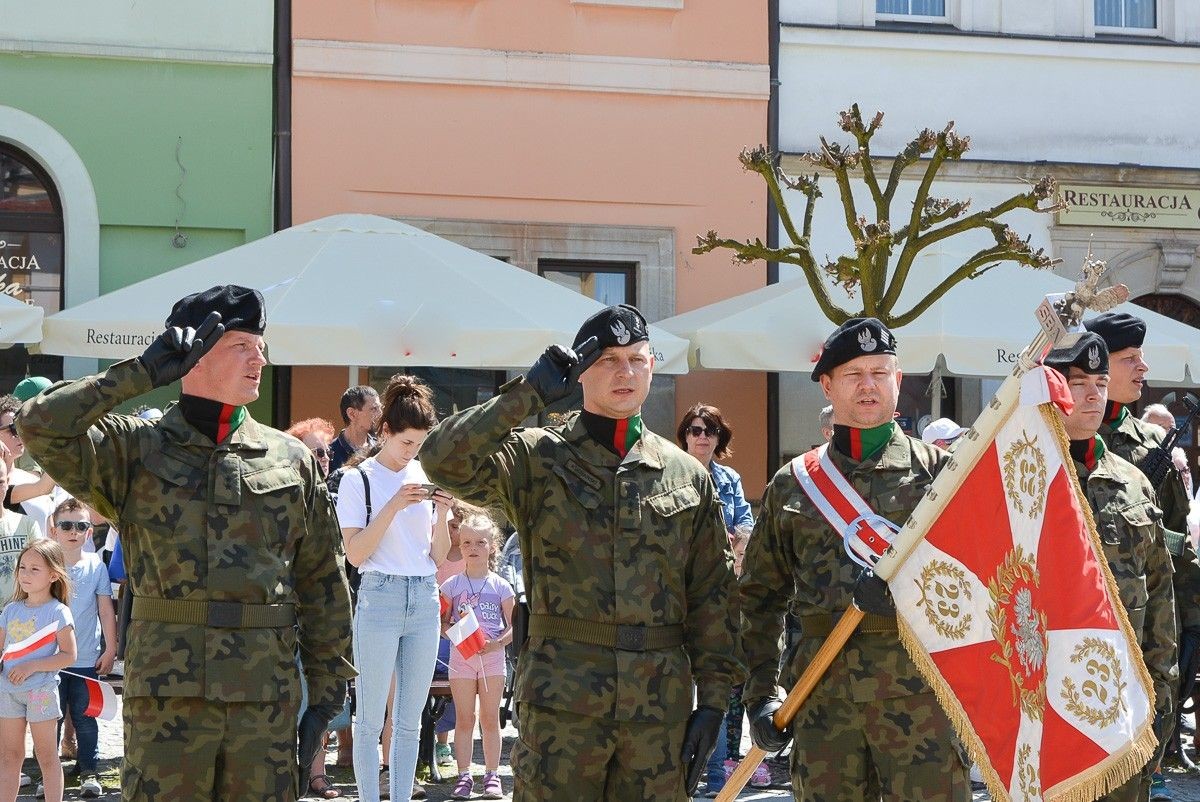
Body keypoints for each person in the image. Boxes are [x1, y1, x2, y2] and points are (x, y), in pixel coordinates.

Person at [17, 284, 355, 801]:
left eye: (260, 345)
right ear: (193, 353)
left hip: (263, 696)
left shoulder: (290, 459)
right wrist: (144, 372)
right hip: (166, 699)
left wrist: (328, 692)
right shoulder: (135, 448)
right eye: (241, 345)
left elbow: (321, 580)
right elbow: (39, 424)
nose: (259, 358)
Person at [421, 303, 740, 801]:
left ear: (652, 366)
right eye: (609, 359)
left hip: (658, 711)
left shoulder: (686, 474)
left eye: (636, 359)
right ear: (580, 370)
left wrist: (714, 703)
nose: (625, 372)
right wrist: (525, 395)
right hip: (562, 710)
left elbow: (711, 597)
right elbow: (442, 460)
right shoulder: (535, 455)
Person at [740, 317, 969, 801]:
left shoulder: (942, 476)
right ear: (827, 384)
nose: (869, 386)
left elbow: (977, 582)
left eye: (880, 373)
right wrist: (761, 696)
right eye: (853, 375)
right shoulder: (793, 484)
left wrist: (914, 595)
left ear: (898, 380)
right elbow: (759, 598)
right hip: (824, 703)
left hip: (921, 701)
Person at [1043, 332, 1177, 802]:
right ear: (1051, 388)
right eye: (1077, 382)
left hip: (1124, 706)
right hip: (1046, 710)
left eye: (1100, 382)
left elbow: (1161, 600)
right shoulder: (1023, 477)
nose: (1093, 395)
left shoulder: (1134, 483)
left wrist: (1161, 701)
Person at [1085, 311, 1200, 800]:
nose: (1142, 368)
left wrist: (1190, 627)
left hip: (1143, 632)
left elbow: (1178, 543)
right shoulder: (1061, 441)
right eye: (1129, 358)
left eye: (1141, 358)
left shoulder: (1154, 446)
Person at [337, 373, 452, 802]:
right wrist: (393, 505)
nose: (413, 453)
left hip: (423, 595)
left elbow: (438, 557)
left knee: (410, 720)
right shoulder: (358, 479)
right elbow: (355, 554)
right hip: (379, 595)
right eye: (406, 443)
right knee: (368, 719)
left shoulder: (425, 473)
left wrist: (442, 515)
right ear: (384, 431)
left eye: (420, 444)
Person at [674, 403, 763, 796]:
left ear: (719, 438)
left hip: (720, 595)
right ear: (685, 435)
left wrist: (735, 539)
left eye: (710, 430)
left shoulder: (729, 479)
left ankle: (715, 777)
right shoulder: (668, 471)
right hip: (676, 597)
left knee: (719, 685)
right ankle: (674, 774)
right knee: (676, 687)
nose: (702, 437)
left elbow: (745, 525)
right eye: (695, 430)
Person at [440, 511, 513, 800]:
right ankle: (464, 774)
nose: (472, 548)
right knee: (464, 718)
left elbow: (513, 626)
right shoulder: (452, 585)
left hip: (493, 661)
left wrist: (496, 644)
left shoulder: (500, 586)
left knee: (490, 718)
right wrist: (456, 634)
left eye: (480, 542)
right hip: (462, 660)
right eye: (467, 542)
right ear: (459, 543)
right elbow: (442, 622)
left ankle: (492, 774)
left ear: (492, 546)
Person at [46, 500, 114, 799]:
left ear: (90, 532)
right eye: (67, 525)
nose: (74, 531)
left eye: (82, 526)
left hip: (86, 659)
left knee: (86, 717)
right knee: (51, 718)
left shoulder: (96, 566)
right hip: (48, 662)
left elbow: (105, 609)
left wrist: (111, 648)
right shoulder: (45, 565)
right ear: (54, 528)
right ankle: (50, 773)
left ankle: (89, 769)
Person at [0, 539, 76, 802]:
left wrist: (32, 665)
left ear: (53, 575)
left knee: (46, 755)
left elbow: (69, 655)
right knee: (9, 756)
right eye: (22, 567)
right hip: (8, 693)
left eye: (35, 569)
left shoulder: (59, 612)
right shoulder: (9, 610)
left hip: (40, 692)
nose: (25, 574)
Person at [330, 386, 383, 474]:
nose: (380, 414)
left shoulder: (381, 450)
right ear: (352, 414)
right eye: (374, 409)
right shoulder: (329, 454)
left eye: (380, 408)